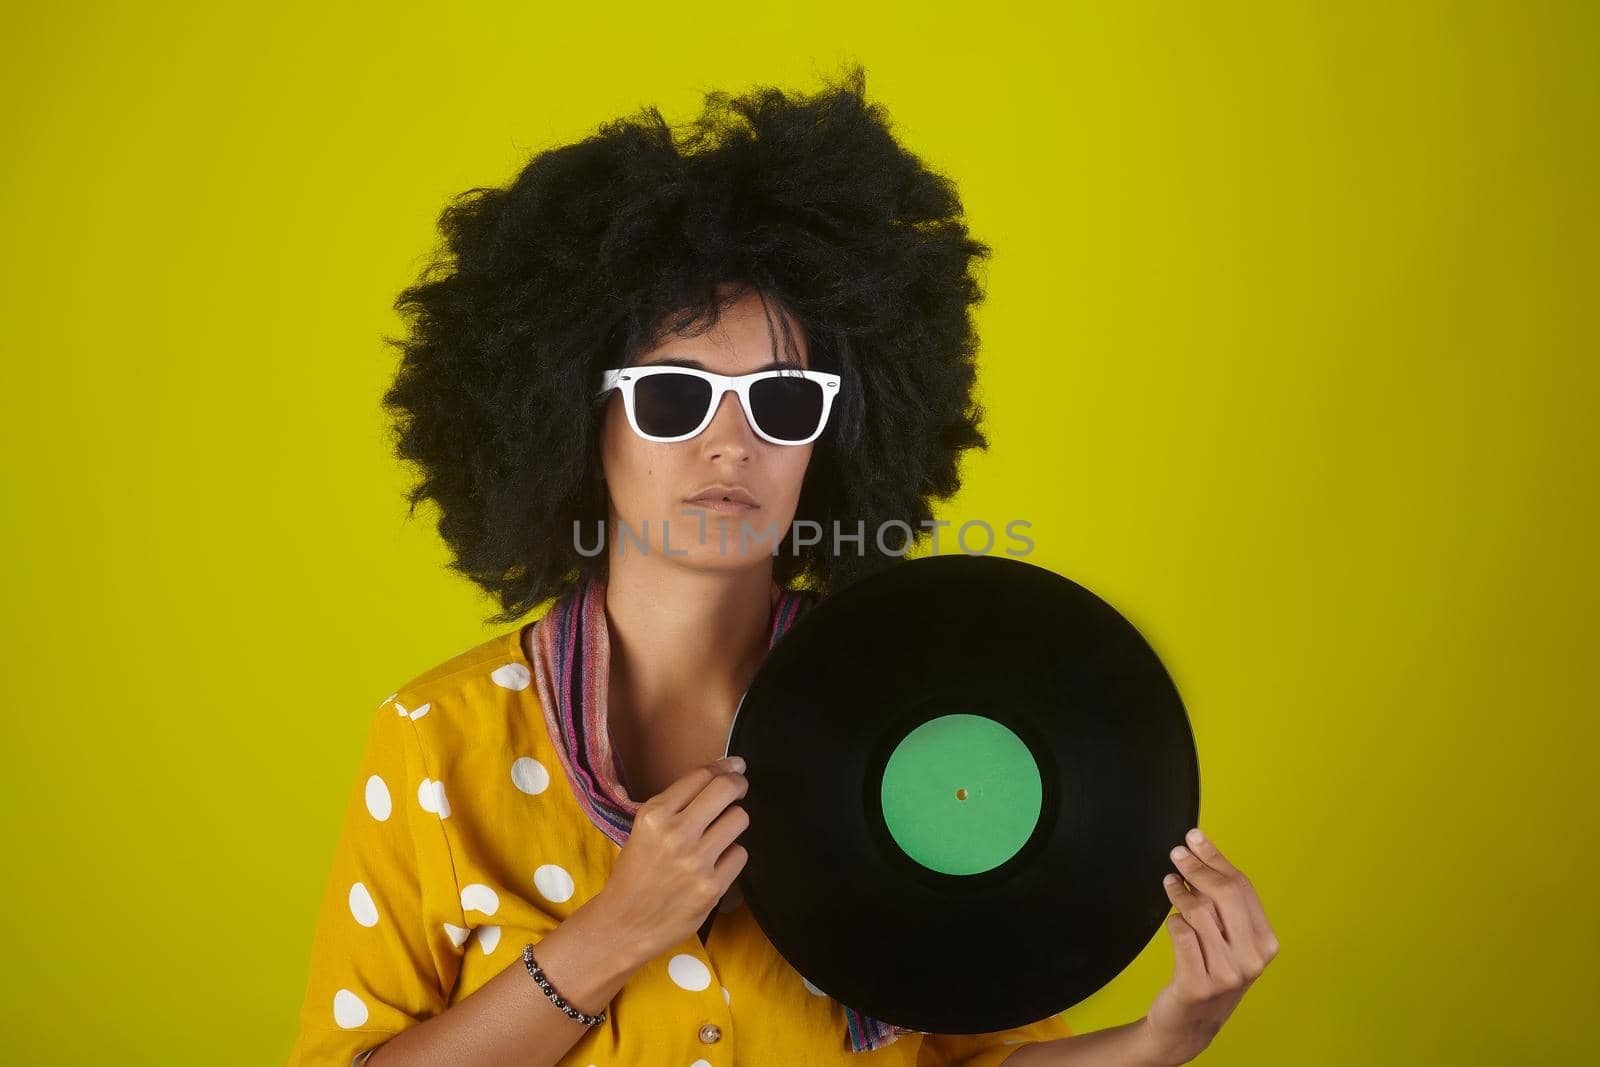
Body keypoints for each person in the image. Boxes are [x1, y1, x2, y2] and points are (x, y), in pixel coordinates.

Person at [285, 66, 1277, 1067]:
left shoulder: (921, 700)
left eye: (782, 403)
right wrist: (615, 932)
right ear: (577, 422)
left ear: (829, 439)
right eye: (674, 396)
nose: (731, 444)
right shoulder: (437, 741)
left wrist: (1166, 1034)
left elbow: (977, 1057)